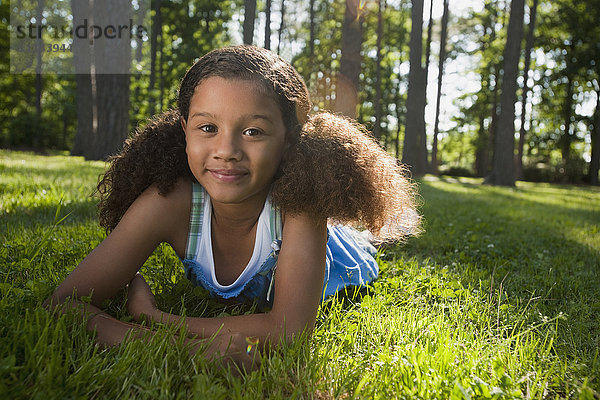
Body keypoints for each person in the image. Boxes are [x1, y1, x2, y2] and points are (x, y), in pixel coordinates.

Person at [45, 45, 420, 371]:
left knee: (362, 238)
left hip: (338, 259)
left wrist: (156, 317)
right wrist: (180, 349)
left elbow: (289, 332)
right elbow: (63, 304)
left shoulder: (302, 208)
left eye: (253, 131)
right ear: (184, 130)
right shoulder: (169, 204)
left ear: (289, 141)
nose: (226, 150)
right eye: (207, 128)